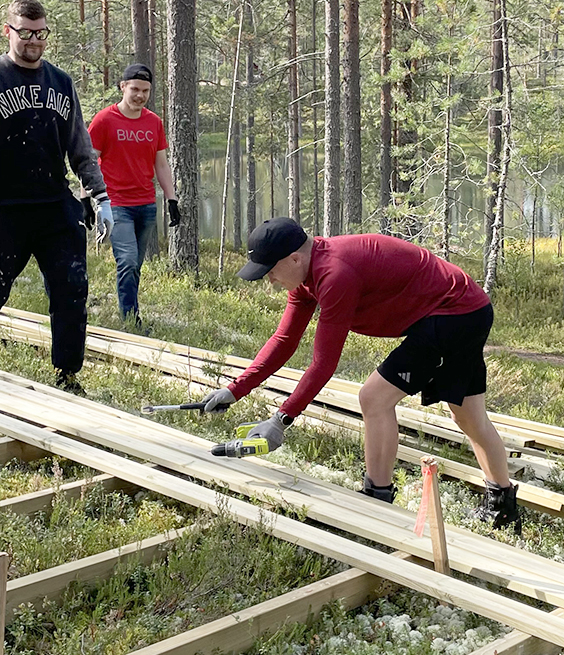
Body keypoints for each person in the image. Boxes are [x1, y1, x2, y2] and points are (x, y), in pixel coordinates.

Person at [200, 217, 520, 529]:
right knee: (466, 415)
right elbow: (284, 341)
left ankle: (376, 498)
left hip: (455, 313)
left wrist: (280, 421)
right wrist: (234, 389)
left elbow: (323, 363)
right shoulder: (306, 276)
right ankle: (503, 507)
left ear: (294, 258)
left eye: (270, 271)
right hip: (463, 308)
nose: (269, 280)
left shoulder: (335, 274)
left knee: (374, 398)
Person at [0, 0, 111, 395]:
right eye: (25, 33)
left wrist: (100, 198)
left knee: (72, 290)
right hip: (2, 207)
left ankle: (68, 375)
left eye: (40, 34)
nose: (33, 41)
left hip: (54, 206)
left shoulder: (61, 82)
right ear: (9, 31)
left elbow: (80, 147)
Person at [87, 63, 180, 328]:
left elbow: (161, 164)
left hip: (146, 205)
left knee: (135, 266)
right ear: (123, 87)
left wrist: (171, 199)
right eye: (135, 89)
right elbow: (89, 163)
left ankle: (130, 310)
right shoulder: (105, 120)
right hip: (115, 204)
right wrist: (87, 199)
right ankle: (131, 320)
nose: (140, 95)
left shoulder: (154, 122)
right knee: (126, 261)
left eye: (145, 91)